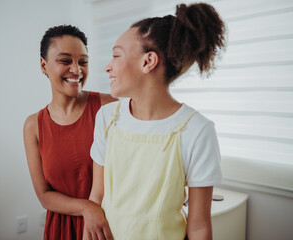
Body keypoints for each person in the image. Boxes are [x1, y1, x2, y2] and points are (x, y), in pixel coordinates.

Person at [88, 3, 226, 240]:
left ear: (148, 61)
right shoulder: (106, 118)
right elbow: (96, 199)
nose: (107, 66)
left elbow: (199, 226)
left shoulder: (197, 130)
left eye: (116, 55)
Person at [23, 25, 115, 240]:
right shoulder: (33, 125)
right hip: (61, 230)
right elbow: (45, 196)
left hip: (108, 225)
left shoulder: (108, 107)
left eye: (83, 62)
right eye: (65, 61)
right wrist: (87, 208)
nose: (77, 70)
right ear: (43, 65)